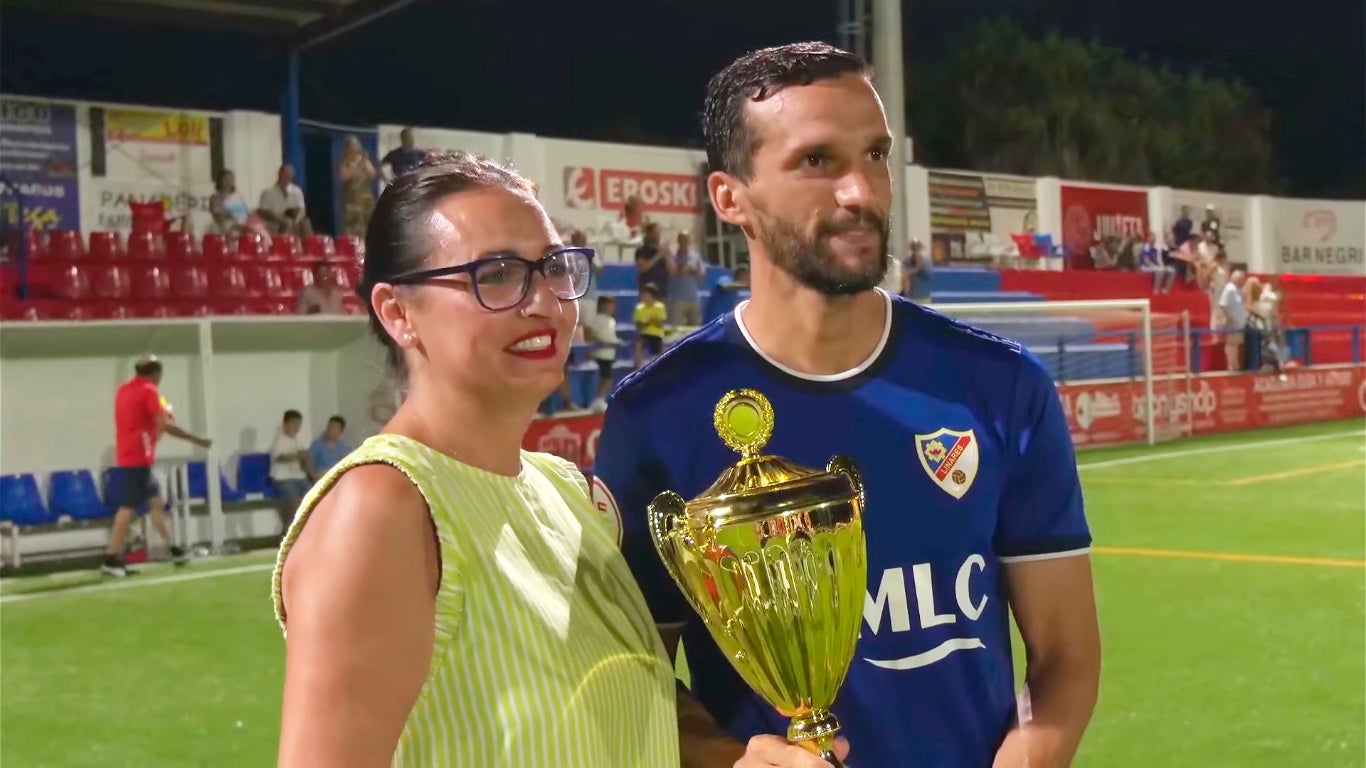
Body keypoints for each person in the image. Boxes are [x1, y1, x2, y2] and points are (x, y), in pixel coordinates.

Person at [593, 42, 1101, 767]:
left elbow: (1066, 655)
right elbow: (630, 676)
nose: (861, 192)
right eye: (817, 161)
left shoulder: (1001, 384)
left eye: (875, 155)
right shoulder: (658, 416)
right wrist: (731, 760)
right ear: (730, 198)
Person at [270, 152, 834, 768]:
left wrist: (732, 762)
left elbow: (624, 702)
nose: (543, 301)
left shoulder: (567, 492)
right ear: (397, 313)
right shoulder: (382, 510)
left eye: (554, 268)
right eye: (496, 274)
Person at [103, 354, 212, 577]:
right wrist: (197, 440)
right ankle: (111, 558)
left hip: (129, 454)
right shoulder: (149, 391)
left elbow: (145, 420)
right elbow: (165, 425)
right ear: (156, 373)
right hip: (138, 457)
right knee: (127, 508)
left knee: (155, 503)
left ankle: (173, 548)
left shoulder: (124, 390)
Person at [269, 409, 313, 532]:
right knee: (294, 501)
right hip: (282, 478)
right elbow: (279, 457)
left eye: (298, 424)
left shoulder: (298, 440)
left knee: (315, 497)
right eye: (294, 424)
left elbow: (304, 456)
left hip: (299, 477)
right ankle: (288, 529)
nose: (296, 427)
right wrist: (297, 456)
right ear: (285, 424)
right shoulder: (279, 440)